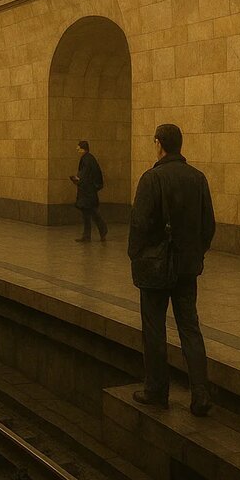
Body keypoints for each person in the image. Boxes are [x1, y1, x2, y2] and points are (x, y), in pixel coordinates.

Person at [128, 123, 215, 416]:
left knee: (154, 329)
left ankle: (156, 391)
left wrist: (136, 255)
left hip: (155, 268)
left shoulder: (152, 178)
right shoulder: (198, 178)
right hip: (187, 268)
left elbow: (139, 224)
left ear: (158, 143)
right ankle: (200, 393)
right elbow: (208, 226)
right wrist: (194, 254)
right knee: (190, 327)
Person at [71, 140, 107, 242]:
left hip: (87, 192)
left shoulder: (86, 159)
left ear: (83, 149)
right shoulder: (90, 158)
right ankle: (96, 233)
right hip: (89, 192)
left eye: (79, 149)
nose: (78, 151)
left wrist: (78, 180)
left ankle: (100, 230)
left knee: (90, 213)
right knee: (90, 213)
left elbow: (85, 175)